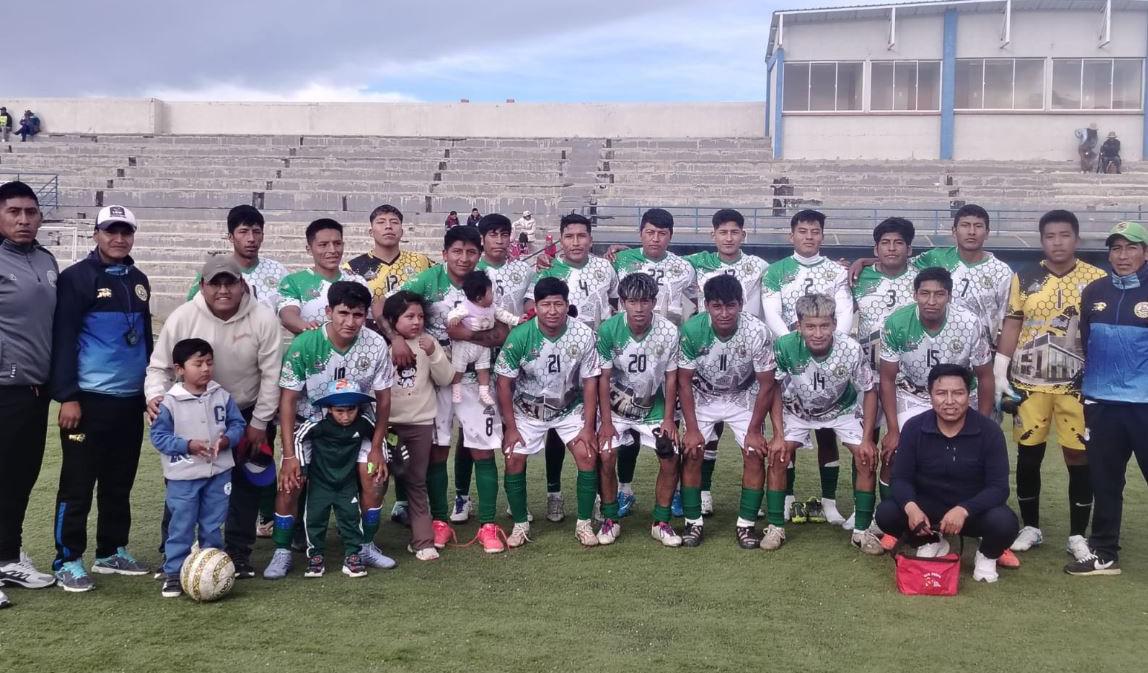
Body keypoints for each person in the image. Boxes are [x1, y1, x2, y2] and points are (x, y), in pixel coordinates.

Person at [147, 255, 283, 579]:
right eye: (215, 283)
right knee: (183, 483)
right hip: (190, 408)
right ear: (203, 286)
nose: (223, 290)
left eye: (230, 283)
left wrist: (259, 424)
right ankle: (172, 557)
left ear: (242, 285)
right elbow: (160, 366)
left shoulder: (263, 318)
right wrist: (155, 396)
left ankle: (237, 554)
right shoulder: (183, 317)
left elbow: (271, 374)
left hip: (247, 412)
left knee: (244, 487)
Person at [48, 205, 153, 592]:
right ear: (96, 234)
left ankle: (111, 551)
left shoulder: (139, 279)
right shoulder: (76, 278)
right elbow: (63, 339)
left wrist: (148, 392)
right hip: (89, 400)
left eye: (125, 232)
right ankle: (67, 558)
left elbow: (145, 339)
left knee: (118, 481)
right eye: (111, 231)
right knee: (77, 483)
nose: (118, 238)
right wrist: (68, 396)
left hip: (129, 400)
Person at [994, 210, 1105, 563]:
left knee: (1078, 457)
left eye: (1065, 235)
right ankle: (1030, 526)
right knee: (1029, 456)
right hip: (1030, 384)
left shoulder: (1096, 278)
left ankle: (1077, 534)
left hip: (1078, 386)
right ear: (1042, 240)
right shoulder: (1025, 277)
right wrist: (1000, 371)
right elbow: (1013, 324)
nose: (1058, 242)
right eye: (1050, 236)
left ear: (1076, 238)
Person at [263, 281, 393, 579]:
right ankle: (282, 551)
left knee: (374, 478)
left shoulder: (375, 345)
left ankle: (366, 545)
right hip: (309, 426)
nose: (350, 322)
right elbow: (288, 401)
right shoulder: (305, 344)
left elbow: (384, 400)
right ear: (328, 311)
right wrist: (289, 455)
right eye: (343, 313)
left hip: (359, 426)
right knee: (290, 483)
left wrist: (377, 446)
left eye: (357, 315)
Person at [387, 225, 507, 549]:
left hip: (475, 380)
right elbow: (387, 309)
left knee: (482, 450)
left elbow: (502, 333)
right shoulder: (427, 282)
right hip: (434, 382)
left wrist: (469, 337)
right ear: (444, 254)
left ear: (479, 255)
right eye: (457, 251)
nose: (464, 258)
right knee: (437, 451)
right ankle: (439, 521)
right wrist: (397, 337)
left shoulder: (485, 284)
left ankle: (488, 526)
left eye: (471, 252)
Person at [874, 364, 1019, 584]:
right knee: (886, 513)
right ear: (931, 395)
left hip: (971, 512)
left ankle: (987, 555)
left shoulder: (989, 431)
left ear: (968, 395)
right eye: (941, 393)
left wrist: (964, 510)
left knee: (1005, 523)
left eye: (958, 393)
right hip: (927, 509)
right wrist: (912, 508)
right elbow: (900, 479)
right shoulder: (914, 427)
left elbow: (999, 488)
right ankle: (930, 541)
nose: (949, 401)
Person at [767, 294, 881, 554]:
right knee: (777, 455)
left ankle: (861, 532)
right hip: (798, 410)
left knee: (865, 457)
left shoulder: (850, 349)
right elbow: (772, 388)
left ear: (834, 323)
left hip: (842, 409)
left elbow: (870, 390)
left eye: (824, 326)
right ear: (798, 325)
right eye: (810, 326)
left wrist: (866, 440)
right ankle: (775, 527)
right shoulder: (785, 345)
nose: (818, 333)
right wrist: (777, 435)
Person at [1067, 221, 1148, 576]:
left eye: (1131, 247)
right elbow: (1086, 343)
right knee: (1105, 480)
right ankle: (1104, 552)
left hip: (1144, 404)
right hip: (1101, 404)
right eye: (1116, 248)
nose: (1123, 255)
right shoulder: (1094, 291)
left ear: (1145, 252)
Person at [526, 213, 619, 523]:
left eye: (582, 236)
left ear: (590, 239)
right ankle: (554, 493)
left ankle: (594, 494)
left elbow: (616, 306)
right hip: (557, 363)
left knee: (591, 427)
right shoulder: (548, 272)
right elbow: (531, 311)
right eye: (570, 236)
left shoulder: (605, 267)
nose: (576, 242)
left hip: (597, 358)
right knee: (555, 427)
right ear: (560, 239)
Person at [762, 209, 853, 524]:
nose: (809, 236)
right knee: (788, 432)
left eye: (815, 231)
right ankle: (786, 499)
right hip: (789, 359)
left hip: (829, 358)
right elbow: (771, 312)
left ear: (823, 236)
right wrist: (796, 346)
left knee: (828, 431)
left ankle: (829, 503)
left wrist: (828, 348)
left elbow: (844, 310)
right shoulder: (776, 271)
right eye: (803, 231)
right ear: (792, 236)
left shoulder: (836, 271)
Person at [496, 278, 601, 547]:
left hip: (568, 408)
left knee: (588, 454)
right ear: (536, 307)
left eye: (558, 304)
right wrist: (511, 428)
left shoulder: (583, 334)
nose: (552, 310)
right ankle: (520, 524)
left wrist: (589, 427)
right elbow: (504, 385)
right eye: (546, 305)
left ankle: (584, 524)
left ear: (567, 305)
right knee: (513, 458)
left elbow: (590, 382)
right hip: (527, 410)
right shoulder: (520, 336)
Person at [681, 208, 770, 517]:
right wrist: (620, 251)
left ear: (743, 235)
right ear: (713, 235)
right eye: (723, 232)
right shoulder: (696, 263)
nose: (729, 237)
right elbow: (660, 262)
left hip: (745, 353)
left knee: (753, 442)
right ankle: (702, 492)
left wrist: (860, 261)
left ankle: (757, 505)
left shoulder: (760, 266)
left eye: (735, 232)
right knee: (708, 437)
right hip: (707, 352)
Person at [679, 275, 779, 549]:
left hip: (742, 395)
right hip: (704, 394)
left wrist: (754, 430)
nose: (724, 313)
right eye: (717, 306)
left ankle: (746, 525)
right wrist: (691, 429)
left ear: (741, 304)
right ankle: (693, 522)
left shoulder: (757, 332)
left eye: (731, 306)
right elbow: (684, 381)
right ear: (706, 305)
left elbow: (767, 384)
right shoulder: (691, 330)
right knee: (691, 451)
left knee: (755, 453)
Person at [613, 208, 698, 517]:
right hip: (629, 350)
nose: (656, 238)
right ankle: (625, 489)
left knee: (668, 421)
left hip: (666, 352)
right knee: (627, 426)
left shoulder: (684, 267)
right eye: (650, 232)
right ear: (640, 233)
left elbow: (700, 294)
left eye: (662, 233)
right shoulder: (622, 260)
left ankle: (673, 492)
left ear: (670, 237)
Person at [448, 214, 533, 524]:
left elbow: (524, 314)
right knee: (469, 435)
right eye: (492, 234)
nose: (499, 240)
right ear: (482, 239)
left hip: (513, 362)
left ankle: (515, 499)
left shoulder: (525, 269)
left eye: (504, 234)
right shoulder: (473, 272)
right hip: (474, 363)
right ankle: (462, 496)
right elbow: (463, 320)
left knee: (515, 429)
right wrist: (489, 335)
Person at [0, 181, 61, 606]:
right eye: (14, 212)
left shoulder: (46, 258)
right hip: (3, 387)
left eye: (31, 212)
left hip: (36, 391)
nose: (24, 220)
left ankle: (7, 557)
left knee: (20, 478)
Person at [150, 338, 247, 598]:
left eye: (209, 363)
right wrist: (187, 445)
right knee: (181, 525)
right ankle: (173, 572)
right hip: (183, 476)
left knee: (212, 525)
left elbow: (238, 425)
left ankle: (211, 569)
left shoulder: (221, 395)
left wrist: (227, 440)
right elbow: (158, 438)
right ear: (179, 369)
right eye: (198, 363)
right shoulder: (169, 402)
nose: (205, 369)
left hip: (219, 473)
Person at [596, 273, 681, 546]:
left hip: (652, 406)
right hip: (615, 408)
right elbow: (604, 378)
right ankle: (610, 518)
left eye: (645, 301)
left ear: (654, 302)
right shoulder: (609, 329)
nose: (639, 308)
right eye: (633, 301)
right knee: (606, 454)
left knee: (670, 455)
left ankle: (661, 521)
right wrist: (606, 423)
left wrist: (669, 419)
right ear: (622, 302)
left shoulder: (668, 331)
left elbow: (671, 378)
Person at [851, 217, 917, 525]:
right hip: (866, 374)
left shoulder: (920, 278)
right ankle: (860, 507)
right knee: (864, 440)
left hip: (904, 380)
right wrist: (860, 262)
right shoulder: (856, 277)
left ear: (909, 248)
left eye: (898, 243)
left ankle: (887, 513)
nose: (892, 248)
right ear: (876, 248)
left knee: (895, 445)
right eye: (885, 243)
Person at [381, 291, 455, 559]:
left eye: (420, 316)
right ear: (393, 320)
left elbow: (446, 378)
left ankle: (423, 541)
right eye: (409, 316)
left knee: (416, 480)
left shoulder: (428, 342)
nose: (416, 322)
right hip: (387, 427)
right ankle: (363, 540)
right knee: (376, 481)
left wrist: (434, 352)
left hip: (421, 425)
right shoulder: (382, 347)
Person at [295, 380, 383, 579]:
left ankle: (353, 557)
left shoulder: (363, 423)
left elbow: (379, 435)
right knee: (315, 519)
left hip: (347, 483)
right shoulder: (317, 424)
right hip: (320, 482)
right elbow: (298, 438)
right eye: (339, 411)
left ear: (358, 408)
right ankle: (315, 557)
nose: (345, 416)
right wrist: (301, 467)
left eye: (351, 410)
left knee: (351, 519)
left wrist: (381, 455)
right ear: (329, 408)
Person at [187, 205, 289, 313]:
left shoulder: (278, 270)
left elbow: (289, 307)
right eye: (243, 231)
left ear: (262, 236)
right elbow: (192, 310)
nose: (251, 238)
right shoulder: (212, 271)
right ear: (230, 237)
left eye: (256, 232)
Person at [277, 218, 369, 334]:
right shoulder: (293, 282)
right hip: (311, 349)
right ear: (309, 249)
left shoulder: (357, 280)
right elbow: (287, 314)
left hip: (354, 351)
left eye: (337, 244)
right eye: (323, 245)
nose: (332, 250)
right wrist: (309, 329)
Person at [447, 270, 520, 406]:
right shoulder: (466, 307)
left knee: (483, 369)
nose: (493, 295)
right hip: (464, 345)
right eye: (491, 292)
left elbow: (503, 315)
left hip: (483, 345)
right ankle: (456, 388)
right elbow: (454, 314)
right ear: (479, 298)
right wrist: (455, 318)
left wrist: (516, 320)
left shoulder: (492, 307)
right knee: (458, 368)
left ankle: (484, 392)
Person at [344, 204, 433, 311]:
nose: (388, 226)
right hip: (370, 327)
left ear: (402, 232)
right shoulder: (352, 267)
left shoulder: (421, 261)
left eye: (394, 222)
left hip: (414, 325)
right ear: (371, 232)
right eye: (381, 222)